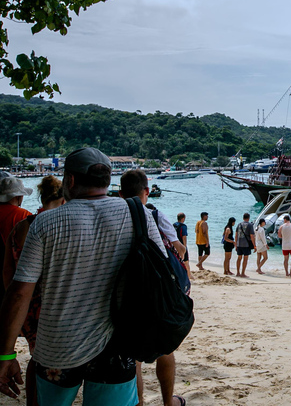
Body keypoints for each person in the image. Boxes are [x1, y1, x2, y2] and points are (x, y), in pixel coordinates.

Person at [0, 147, 168, 405]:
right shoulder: (137, 213)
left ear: (71, 180)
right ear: (107, 180)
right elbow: (161, 273)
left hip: (57, 346)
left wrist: (5, 356)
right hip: (117, 346)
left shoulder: (45, 223)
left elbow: (19, 293)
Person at [119, 168, 187, 406]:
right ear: (146, 191)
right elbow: (175, 251)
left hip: (123, 293)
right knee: (165, 348)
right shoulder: (154, 215)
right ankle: (168, 402)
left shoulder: (114, 214)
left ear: (120, 193)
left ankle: (138, 403)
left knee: (133, 355)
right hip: (153, 290)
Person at [1, 176, 63, 406]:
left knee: (36, 357)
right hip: (52, 305)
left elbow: (8, 275)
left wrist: (18, 307)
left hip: (26, 306)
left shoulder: (20, 227)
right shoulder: (57, 227)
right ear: (64, 198)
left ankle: (33, 402)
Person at [0, 174, 33, 368]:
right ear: (19, 197)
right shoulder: (23, 216)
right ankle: (1, 359)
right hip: (8, 273)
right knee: (0, 318)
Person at [173, 213, 192, 279]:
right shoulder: (183, 226)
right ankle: (189, 275)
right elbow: (184, 236)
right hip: (181, 245)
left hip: (175, 244)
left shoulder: (174, 225)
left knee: (177, 259)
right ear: (183, 218)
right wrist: (185, 246)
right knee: (186, 261)